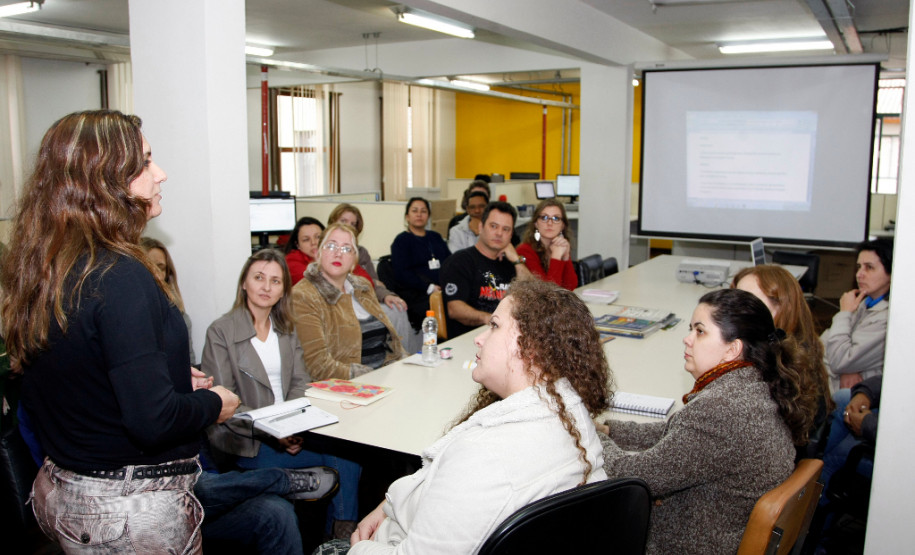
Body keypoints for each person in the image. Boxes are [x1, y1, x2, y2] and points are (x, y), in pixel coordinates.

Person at [0, 110, 239, 553]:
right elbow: (153, 422)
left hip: (65, 489)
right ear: (105, 180)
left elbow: (70, 372)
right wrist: (213, 403)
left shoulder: (49, 265)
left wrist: (163, 375)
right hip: (126, 510)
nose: (161, 174)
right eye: (146, 162)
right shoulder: (121, 274)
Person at [315, 278, 610, 555]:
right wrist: (388, 504)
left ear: (530, 348)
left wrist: (359, 548)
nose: (480, 339)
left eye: (494, 326)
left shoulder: (485, 455)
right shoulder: (572, 414)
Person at [597, 288, 818, 554]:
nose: (687, 339)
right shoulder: (756, 384)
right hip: (723, 530)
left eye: (700, 331)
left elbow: (633, 476)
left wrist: (590, 437)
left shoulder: (721, 409)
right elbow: (677, 432)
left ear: (732, 349)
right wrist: (611, 429)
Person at [202, 248, 361, 539]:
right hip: (246, 441)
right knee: (341, 466)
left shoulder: (286, 329)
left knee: (349, 452)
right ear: (244, 283)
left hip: (291, 431)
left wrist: (294, 428)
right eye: (259, 277)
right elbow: (225, 402)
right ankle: (337, 534)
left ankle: (339, 537)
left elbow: (300, 383)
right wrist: (274, 432)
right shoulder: (221, 331)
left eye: (275, 281)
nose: (266, 286)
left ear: (283, 290)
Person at [732, 264, 833, 458]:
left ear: (781, 307)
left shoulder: (779, 368)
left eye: (748, 302)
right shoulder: (798, 347)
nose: (735, 311)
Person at [292, 223, 406, 382]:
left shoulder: (362, 286)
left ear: (354, 261)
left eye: (346, 249)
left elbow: (390, 344)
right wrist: (373, 378)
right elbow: (317, 366)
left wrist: (406, 365)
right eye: (331, 246)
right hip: (347, 388)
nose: (338, 253)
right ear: (318, 253)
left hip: (385, 378)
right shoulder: (303, 295)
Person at [440, 201, 532, 337]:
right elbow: (455, 310)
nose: (499, 233)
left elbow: (534, 295)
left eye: (506, 229)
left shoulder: (511, 263)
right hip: (470, 338)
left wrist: (516, 260)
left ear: (511, 235)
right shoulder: (459, 262)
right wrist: (491, 319)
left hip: (507, 337)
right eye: (494, 226)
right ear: (481, 227)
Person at [821, 239, 893, 392]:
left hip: (845, 393)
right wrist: (848, 368)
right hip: (832, 382)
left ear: (891, 273)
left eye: (869, 268)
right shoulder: (864, 302)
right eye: (859, 267)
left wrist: (844, 313)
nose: (859, 274)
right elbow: (821, 345)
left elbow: (839, 359)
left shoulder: (888, 319)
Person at [389, 197, 452, 329]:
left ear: (428, 216)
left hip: (442, 289)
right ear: (407, 216)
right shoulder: (401, 241)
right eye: (415, 211)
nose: (419, 214)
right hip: (418, 293)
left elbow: (449, 263)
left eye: (423, 211)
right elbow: (402, 273)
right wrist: (429, 288)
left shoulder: (435, 237)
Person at [140, 236, 197, 364]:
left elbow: (188, 364)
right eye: (149, 266)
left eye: (161, 267)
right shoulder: (128, 317)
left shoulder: (180, 318)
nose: (156, 273)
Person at [517, 199, 578, 290]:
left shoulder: (560, 246)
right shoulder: (525, 251)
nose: (550, 223)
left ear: (562, 225)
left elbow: (571, 287)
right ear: (536, 223)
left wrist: (565, 256)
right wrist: (556, 256)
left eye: (556, 218)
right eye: (544, 218)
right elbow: (547, 292)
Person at [284, 216, 326, 286]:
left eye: (318, 237)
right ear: (297, 244)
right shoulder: (291, 262)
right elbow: (319, 286)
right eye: (306, 239)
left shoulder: (333, 253)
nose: (313, 242)